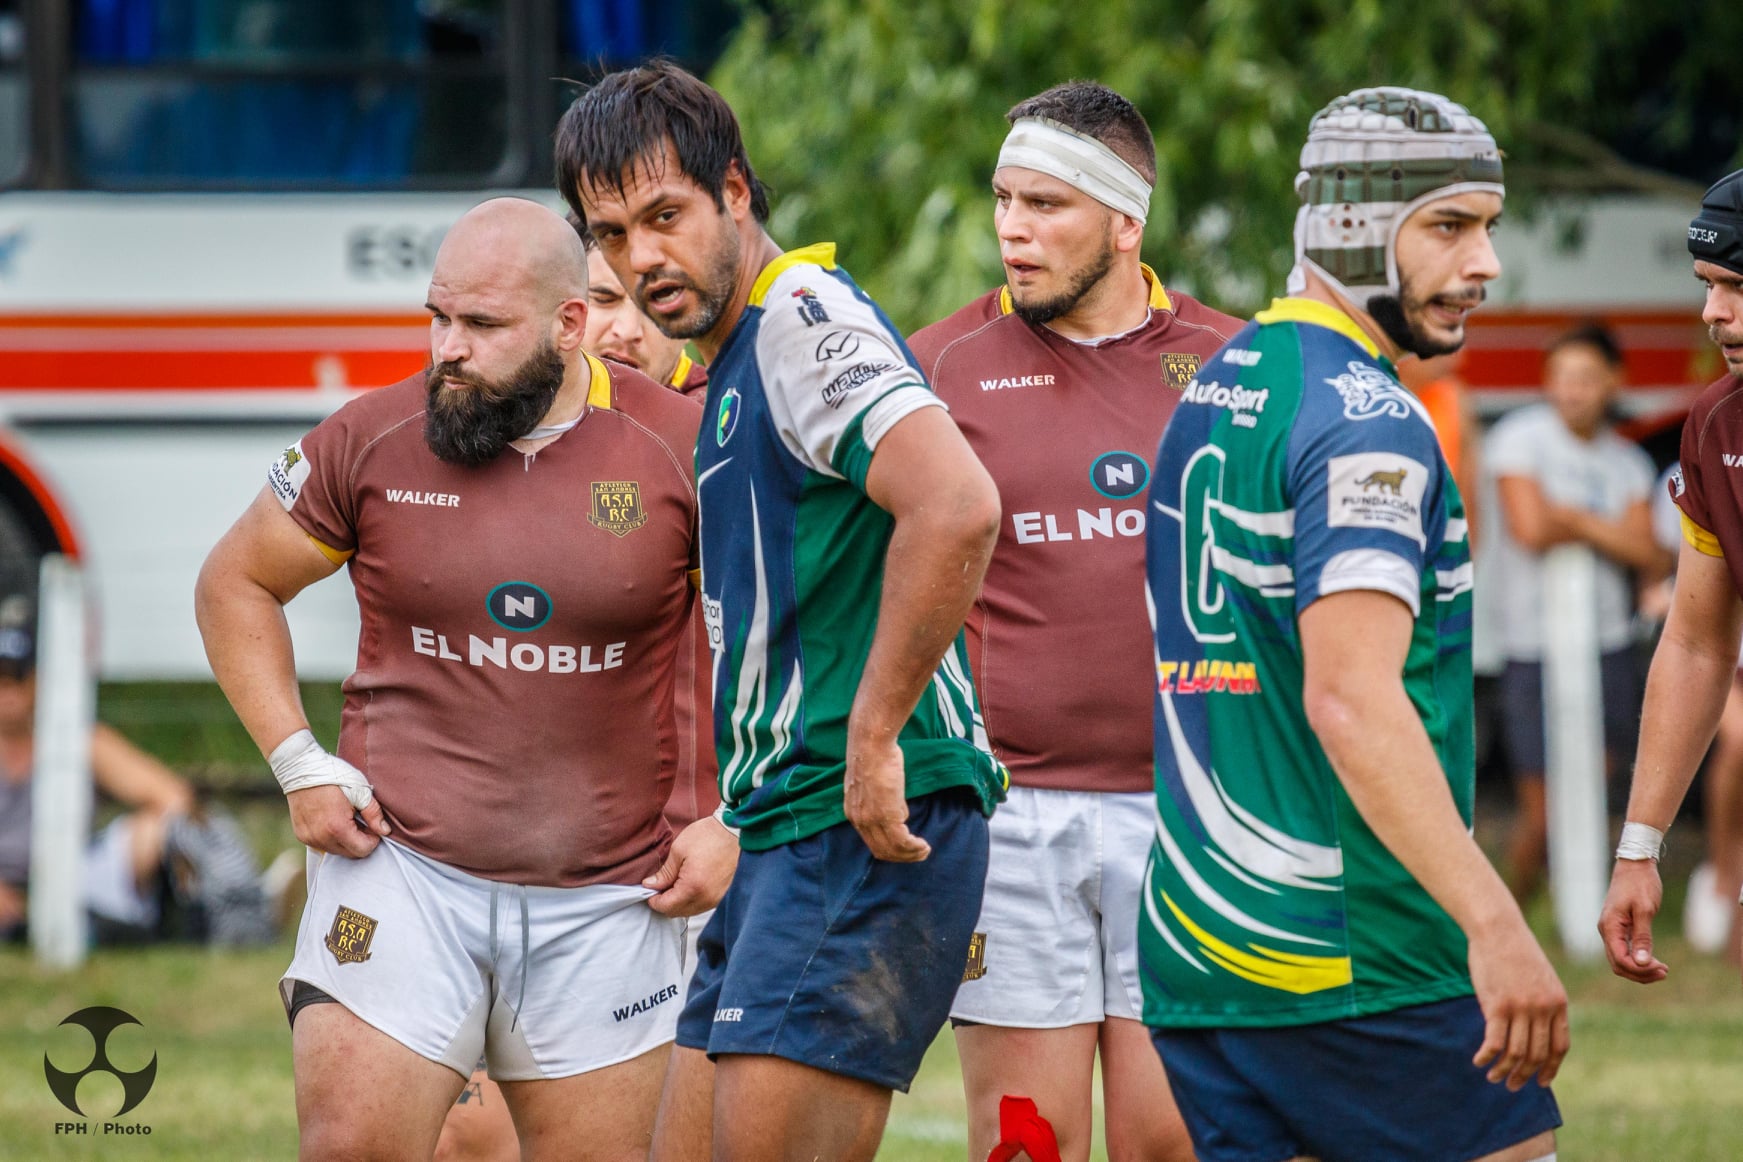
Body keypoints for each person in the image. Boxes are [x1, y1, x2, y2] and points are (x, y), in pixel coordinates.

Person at [195, 196, 737, 1162]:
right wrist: (297, 762)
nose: (448, 348)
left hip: (613, 898)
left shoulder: (684, 449)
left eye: (482, 325)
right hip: (401, 872)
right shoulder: (370, 435)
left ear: (568, 325)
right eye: (438, 316)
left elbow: (794, 644)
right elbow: (233, 583)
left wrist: (738, 818)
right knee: (351, 1150)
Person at [556, 61, 1006, 1162]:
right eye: (610, 235)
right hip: (781, 828)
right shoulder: (729, 363)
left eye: (664, 216)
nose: (640, 258)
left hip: (855, 822)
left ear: (735, 192)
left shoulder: (800, 319)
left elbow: (957, 506)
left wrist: (875, 735)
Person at [1142, 87, 1566, 1162]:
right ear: (1351, 226)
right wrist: (1494, 920)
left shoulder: (1220, 384)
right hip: (1356, 946)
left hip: (1204, 943)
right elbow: (1350, 699)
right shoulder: (1367, 419)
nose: (1484, 264)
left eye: (1487, 228)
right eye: (1448, 226)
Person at [907, 80, 1237, 1162]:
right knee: (1026, 1145)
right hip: (1006, 818)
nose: (1013, 228)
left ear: (1125, 220)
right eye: (1003, 199)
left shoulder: (1235, 364)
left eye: (1045, 204)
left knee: (1169, 1143)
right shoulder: (934, 366)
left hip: (1189, 815)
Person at [434, 213, 725, 1162]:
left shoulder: (725, 440)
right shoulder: (487, 430)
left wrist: (740, 822)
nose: (623, 328)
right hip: (518, 870)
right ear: (564, 314)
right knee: (462, 1138)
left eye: (645, 303)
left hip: (693, 868)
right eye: (602, 300)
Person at [1600, 168, 1743, 986]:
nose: (1711, 312)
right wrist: (1638, 849)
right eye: (1706, 285)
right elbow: (1694, 644)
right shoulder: (1715, 427)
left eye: (1736, 286)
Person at [1484, 323, 1670, 901]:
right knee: (1543, 808)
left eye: (1587, 378)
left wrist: (1575, 518)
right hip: (1530, 643)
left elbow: (1650, 552)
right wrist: (1608, 529)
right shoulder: (1518, 439)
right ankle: (1516, 908)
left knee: (1593, 788)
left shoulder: (1628, 461)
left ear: (1614, 381)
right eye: (1562, 377)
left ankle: (1579, 909)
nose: (1573, 390)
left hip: (1607, 640)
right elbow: (1531, 529)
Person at [0, 592, 277, 947]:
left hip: (75, 876)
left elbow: (172, 796)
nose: (8, 692)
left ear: (38, 678)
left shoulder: (79, 739)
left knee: (168, 827)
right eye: (0, 678)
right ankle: (225, 908)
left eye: (17, 678)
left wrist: (167, 851)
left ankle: (222, 905)